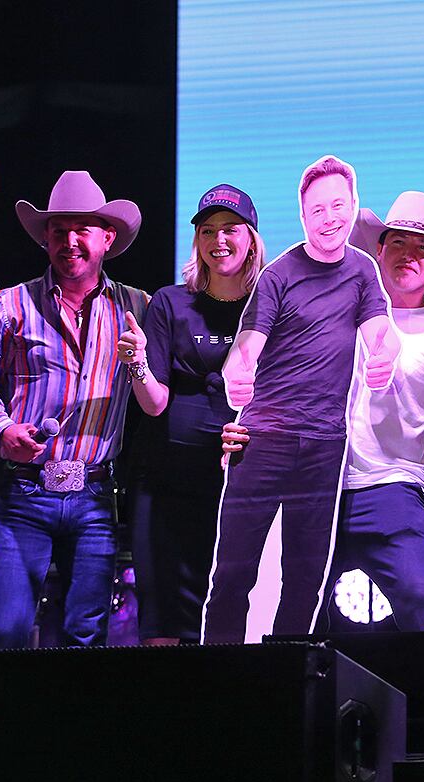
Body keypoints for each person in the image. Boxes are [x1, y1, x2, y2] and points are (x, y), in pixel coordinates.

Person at [223, 191, 424, 631]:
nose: (408, 255)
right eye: (398, 242)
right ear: (378, 250)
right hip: (311, 485)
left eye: (423, 248)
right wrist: (243, 428)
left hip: (392, 489)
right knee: (288, 619)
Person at [201, 155, 399, 644]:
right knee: (232, 574)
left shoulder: (362, 271)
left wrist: (384, 356)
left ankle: (286, 676)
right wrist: (237, 377)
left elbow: (382, 333)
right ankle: (217, 671)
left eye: (337, 205)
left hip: (325, 446)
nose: (329, 218)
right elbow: (245, 349)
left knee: (307, 578)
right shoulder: (279, 274)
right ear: (303, 216)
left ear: (353, 207)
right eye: (317, 210)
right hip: (262, 441)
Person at [0, 171, 146, 648]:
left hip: (93, 492)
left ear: (107, 238)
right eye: (59, 230)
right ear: (45, 237)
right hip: (25, 490)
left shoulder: (138, 308)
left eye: (82, 229)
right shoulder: (11, 304)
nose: (70, 241)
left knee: (85, 635)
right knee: (6, 630)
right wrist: (2, 429)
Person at [120, 184, 266, 644]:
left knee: (229, 615)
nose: (218, 240)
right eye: (207, 231)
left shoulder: (272, 305)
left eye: (230, 229)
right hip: (164, 483)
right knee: (162, 618)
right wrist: (138, 364)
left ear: (252, 239)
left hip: (236, 488)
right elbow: (154, 402)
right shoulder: (170, 302)